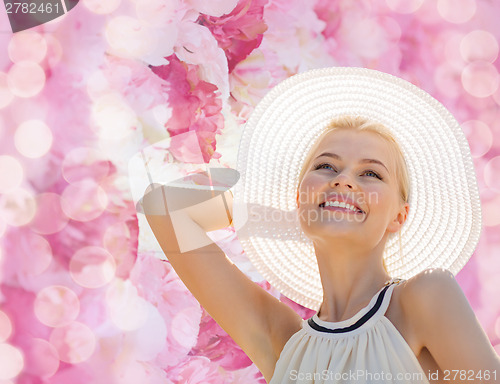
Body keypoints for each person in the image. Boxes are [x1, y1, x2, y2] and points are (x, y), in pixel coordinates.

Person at [140, 67, 500, 383]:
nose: (344, 180)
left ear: (399, 216)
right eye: (326, 166)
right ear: (299, 196)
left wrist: (327, 207)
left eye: (371, 173)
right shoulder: (284, 345)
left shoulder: (425, 298)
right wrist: (293, 211)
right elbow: (164, 207)